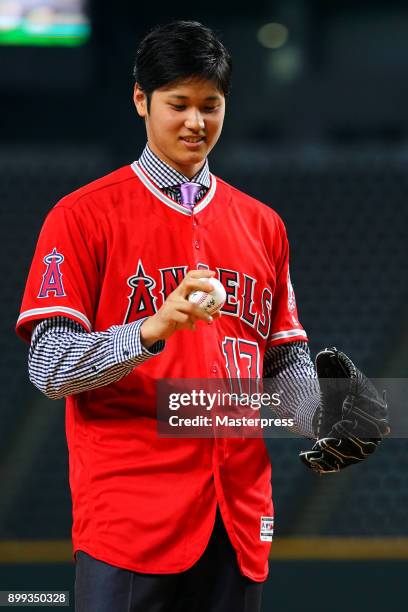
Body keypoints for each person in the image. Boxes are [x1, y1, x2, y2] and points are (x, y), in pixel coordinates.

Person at [16, 21, 319, 612]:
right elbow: (49, 369)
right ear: (140, 100)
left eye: (211, 105)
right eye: (177, 104)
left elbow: (285, 358)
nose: (195, 122)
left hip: (238, 517)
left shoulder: (263, 225)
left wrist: (324, 416)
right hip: (130, 520)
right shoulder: (82, 217)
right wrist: (150, 330)